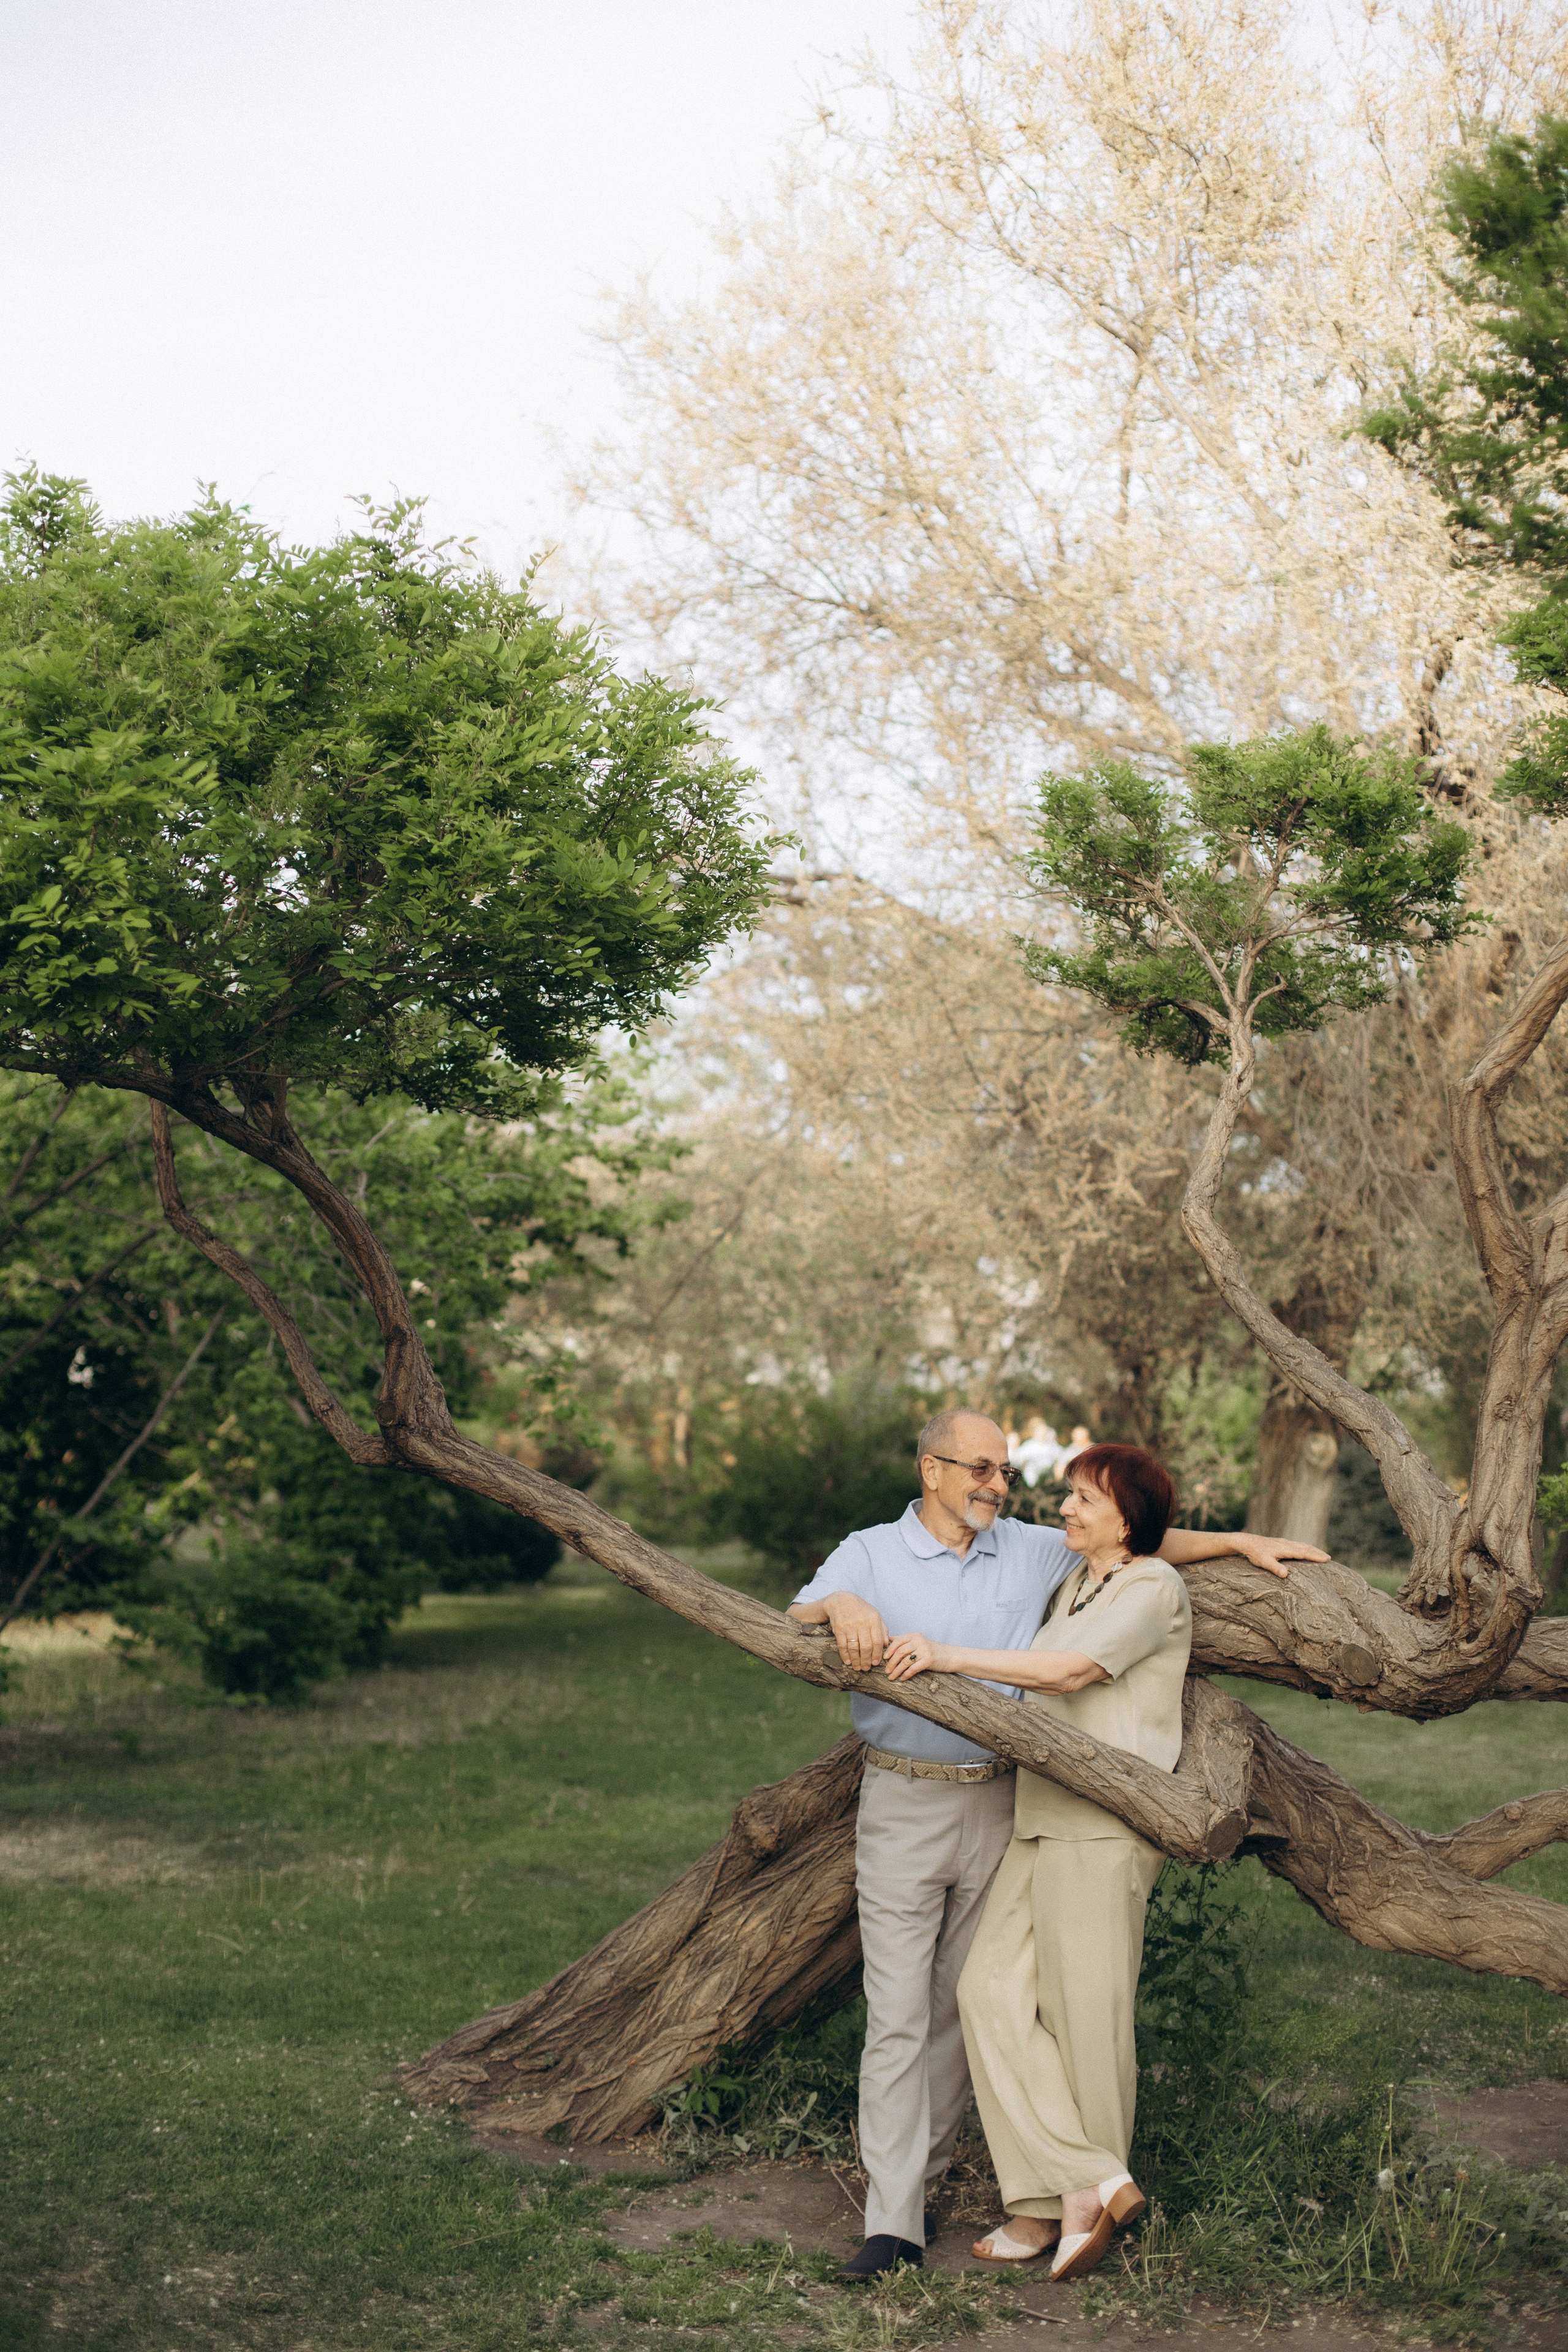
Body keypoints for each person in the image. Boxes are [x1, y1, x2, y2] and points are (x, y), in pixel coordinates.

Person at [788, 1410, 1327, 2283]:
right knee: (936, 2007)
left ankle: (1047, 2197)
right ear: (933, 1471)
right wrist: (845, 1603)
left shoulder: (1062, 1560)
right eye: (983, 1469)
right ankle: (951, 2214)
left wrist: (1240, 1540)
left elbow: (1124, 1576)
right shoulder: (904, 1554)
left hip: (1034, 1809)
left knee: (1036, 2010)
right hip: (935, 1806)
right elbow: (801, 1609)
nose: (1005, 1487)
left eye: (1009, 1473)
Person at [884, 1442, 1194, 2282]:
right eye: (1065, 1495)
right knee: (986, 1992)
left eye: (1083, 1499)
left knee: (1083, 2020)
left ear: (1125, 1518)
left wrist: (948, 1656)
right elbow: (1063, 1639)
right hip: (1040, 1815)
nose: (1064, 1509)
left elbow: (1068, 1672)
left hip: (1103, 1828)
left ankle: (1062, 2206)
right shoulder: (1076, 1580)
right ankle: (1082, 2181)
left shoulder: (1149, 1587)